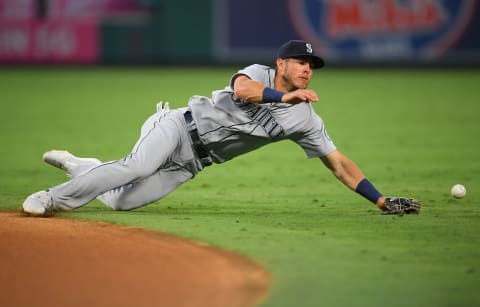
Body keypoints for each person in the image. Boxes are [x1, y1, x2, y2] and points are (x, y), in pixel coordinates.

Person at [22, 40, 420, 216]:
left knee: (122, 201)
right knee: (137, 166)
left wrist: (380, 200)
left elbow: (338, 164)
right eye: (300, 62)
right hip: (177, 126)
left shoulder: (306, 121)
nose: (306, 69)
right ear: (281, 65)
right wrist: (284, 98)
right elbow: (243, 90)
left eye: (311, 66)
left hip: (194, 163)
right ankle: (51, 198)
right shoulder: (258, 72)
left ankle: (83, 167)